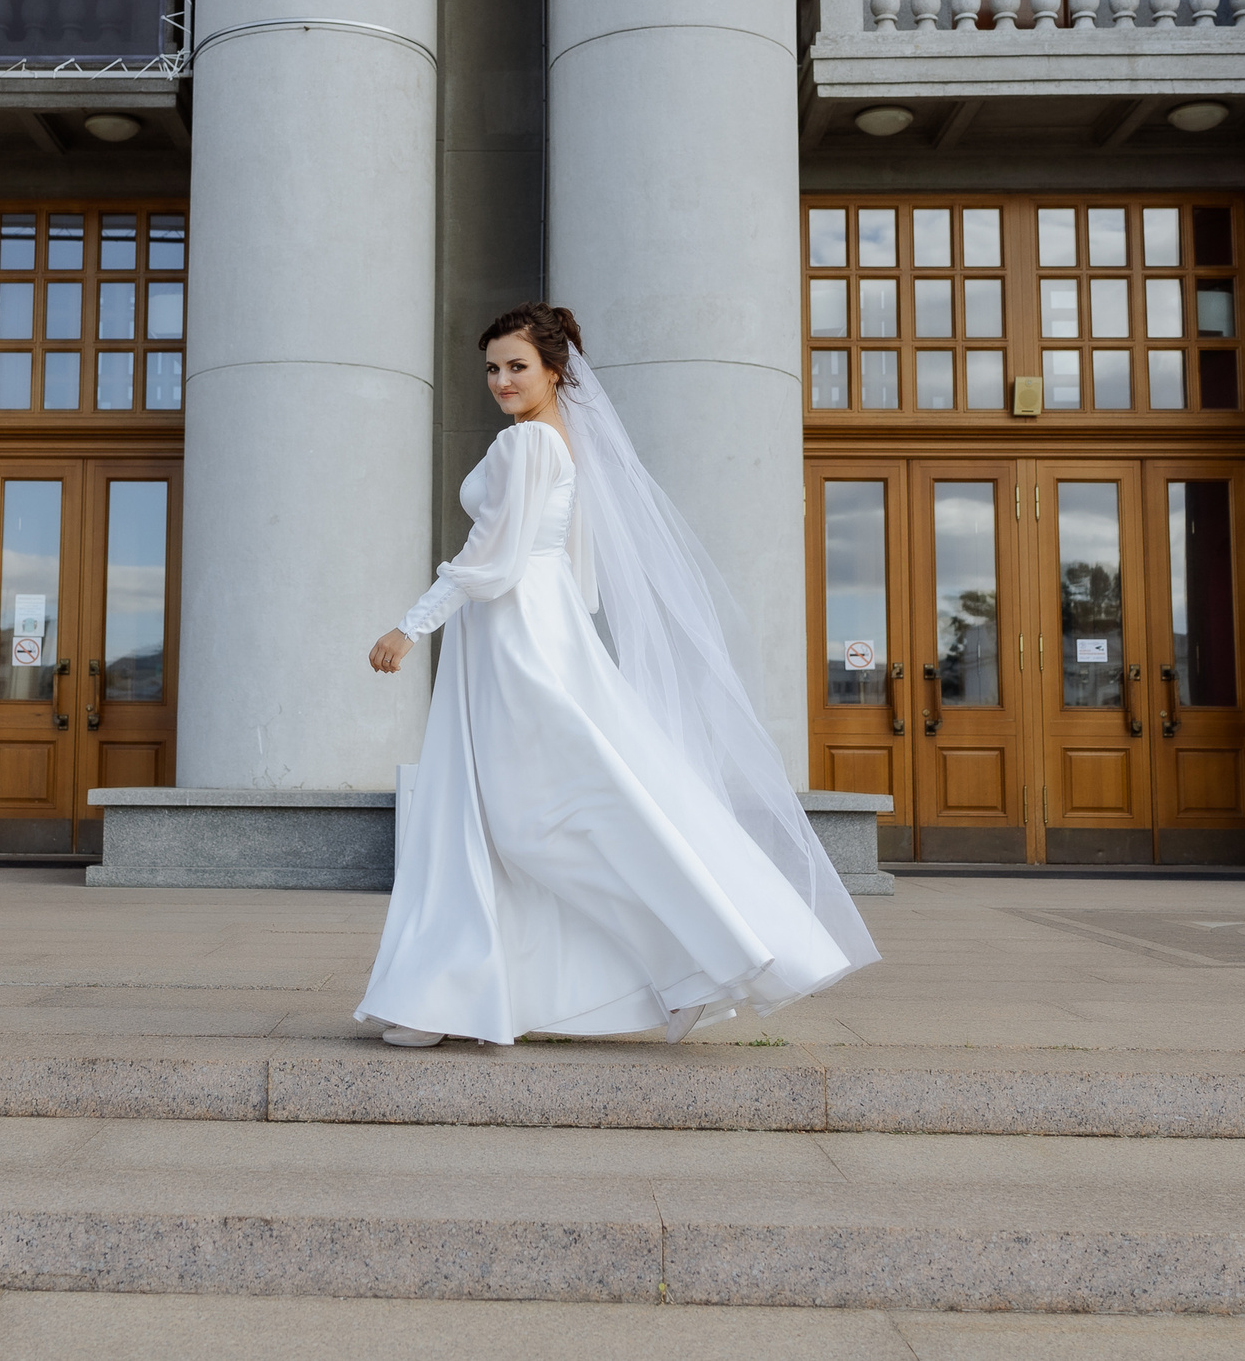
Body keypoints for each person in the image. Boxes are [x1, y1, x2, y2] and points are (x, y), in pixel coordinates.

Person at [357, 302, 880, 1048]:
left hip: (514, 635)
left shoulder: (528, 445)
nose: (501, 381)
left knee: (524, 817)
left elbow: (492, 559)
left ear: (554, 371)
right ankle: (465, 995)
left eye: (517, 366)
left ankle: (681, 957)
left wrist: (411, 626)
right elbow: (567, 563)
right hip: (537, 623)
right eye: (492, 369)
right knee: (540, 807)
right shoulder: (559, 442)